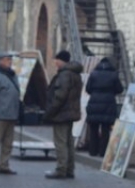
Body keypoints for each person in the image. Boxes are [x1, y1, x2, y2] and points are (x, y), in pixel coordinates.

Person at [44, 50, 83, 179]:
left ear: (62, 61)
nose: (55, 62)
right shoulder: (75, 74)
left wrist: (50, 111)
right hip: (70, 113)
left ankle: (61, 169)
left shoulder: (64, 75)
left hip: (61, 113)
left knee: (61, 142)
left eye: (57, 60)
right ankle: (69, 169)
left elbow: (60, 96)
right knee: (68, 142)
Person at [85, 57, 123, 157]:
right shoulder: (114, 75)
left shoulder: (93, 74)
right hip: (108, 103)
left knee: (93, 128)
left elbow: (88, 89)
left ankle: (93, 151)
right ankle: (103, 152)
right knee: (105, 129)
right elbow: (120, 89)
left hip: (94, 102)